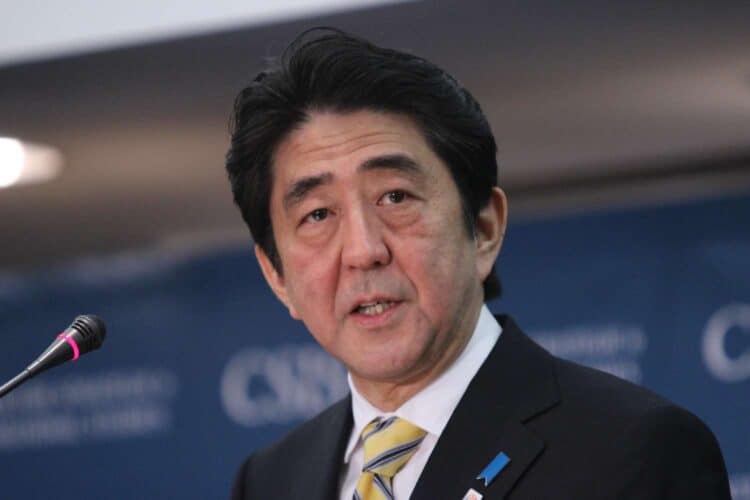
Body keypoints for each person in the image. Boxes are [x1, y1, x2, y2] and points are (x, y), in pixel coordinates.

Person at [225, 28, 730, 500]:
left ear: (485, 228)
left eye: (395, 196)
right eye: (317, 214)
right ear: (277, 276)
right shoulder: (269, 481)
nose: (363, 250)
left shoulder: (636, 450)